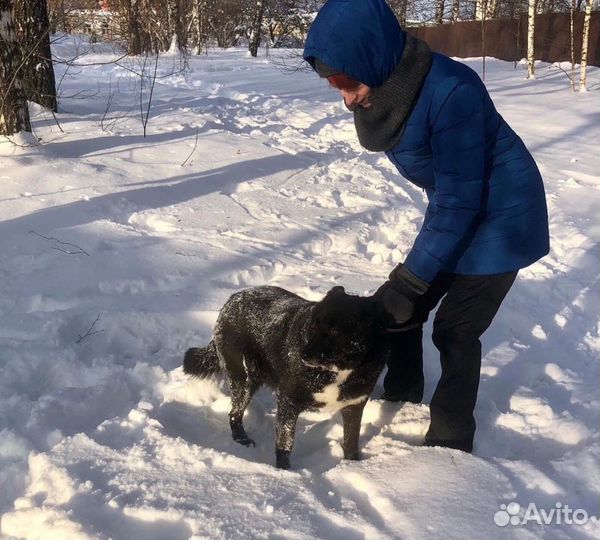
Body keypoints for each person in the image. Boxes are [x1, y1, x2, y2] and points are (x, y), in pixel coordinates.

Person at [303, 0, 549, 453]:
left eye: (346, 81)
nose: (344, 97)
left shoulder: (453, 91)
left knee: (454, 330)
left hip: (505, 217)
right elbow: (451, 198)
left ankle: (451, 439)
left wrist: (413, 279)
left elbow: (460, 199)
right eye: (333, 83)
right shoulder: (388, 93)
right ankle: (401, 394)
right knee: (396, 308)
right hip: (459, 208)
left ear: (373, 60)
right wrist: (407, 286)